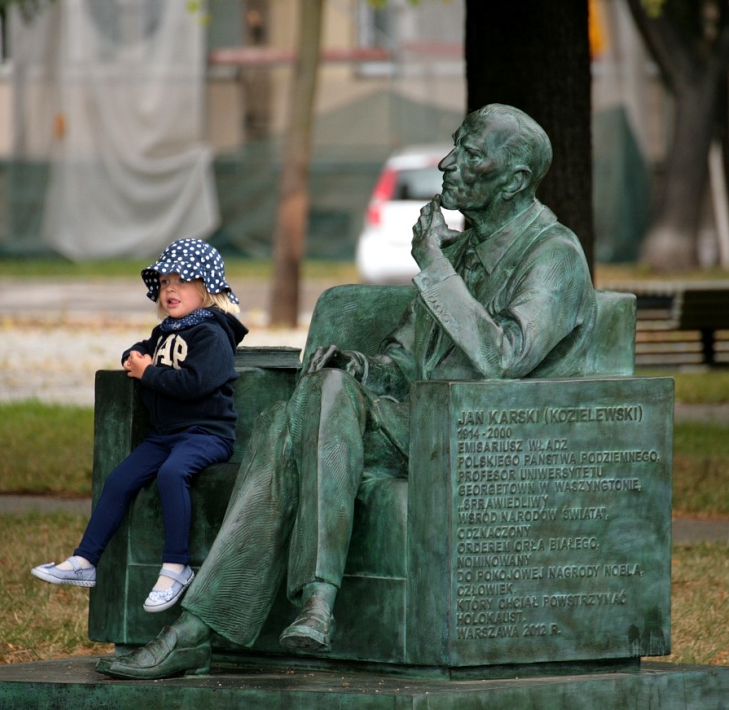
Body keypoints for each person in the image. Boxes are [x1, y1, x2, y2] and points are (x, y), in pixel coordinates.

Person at [99, 104, 596, 679]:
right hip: (412, 430)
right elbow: (404, 360)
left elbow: (502, 358)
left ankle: (232, 620)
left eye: (470, 154)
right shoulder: (461, 253)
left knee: (290, 424)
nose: (447, 163)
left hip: (486, 444)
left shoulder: (553, 256)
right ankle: (303, 606)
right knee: (303, 409)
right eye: (454, 145)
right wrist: (359, 365)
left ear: (513, 181)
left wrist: (433, 266)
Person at [32, 238, 247, 614]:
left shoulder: (212, 334)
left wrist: (148, 372)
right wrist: (133, 356)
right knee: (119, 479)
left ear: (206, 287)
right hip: (166, 435)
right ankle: (85, 560)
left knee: (172, 473)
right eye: (164, 283)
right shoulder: (167, 331)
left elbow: (194, 385)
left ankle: (176, 567)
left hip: (207, 434)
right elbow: (144, 347)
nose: (170, 290)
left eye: (181, 281)